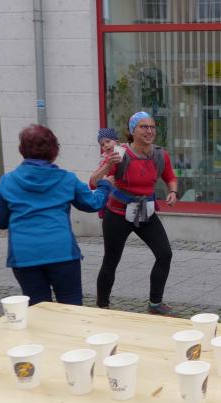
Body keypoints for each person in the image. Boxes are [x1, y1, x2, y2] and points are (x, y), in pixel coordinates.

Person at [0, 124, 113, 305]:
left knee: (38, 309)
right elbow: (93, 203)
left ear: (22, 150)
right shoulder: (66, 179)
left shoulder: (7, 181)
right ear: (54, 150)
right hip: (61, 252)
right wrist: (105, 186)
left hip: (24, 255)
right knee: (70, 307)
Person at [91, 111, 179, 315]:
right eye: (143, 127)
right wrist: (109, 165)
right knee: (111, 260)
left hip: (145, 212)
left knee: (165, 254)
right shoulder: (119, 153)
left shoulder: (160, 154)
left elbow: (170, 177)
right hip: (117, 214)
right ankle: (102, 307)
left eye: (152, 127)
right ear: (132, 131)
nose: (149, 131)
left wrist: (173, 192)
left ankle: (155, 304)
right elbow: (93, 182)